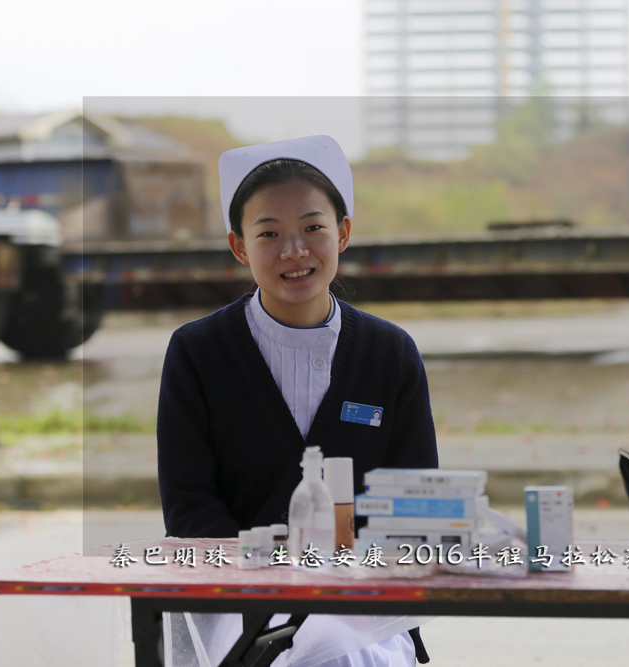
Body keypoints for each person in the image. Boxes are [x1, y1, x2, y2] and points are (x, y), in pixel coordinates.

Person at [156, 135, 438, 666]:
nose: (294, 251)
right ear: (240, 246)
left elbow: (414, 500)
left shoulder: (389, 354)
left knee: (339, 652)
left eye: (312, 228)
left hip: (364, 597)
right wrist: (270, 573)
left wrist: (350, 571)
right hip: (235, 598)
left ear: (343, 232)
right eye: (269, 233)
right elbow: (189, 507)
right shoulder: (199, 353)